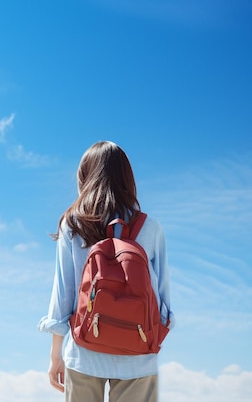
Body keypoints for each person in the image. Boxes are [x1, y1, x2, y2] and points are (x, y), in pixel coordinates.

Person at [37, 141, 174, 402]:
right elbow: (163, 300)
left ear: (84, 176)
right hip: (139, 355)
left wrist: (56, 355)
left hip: (85, 351)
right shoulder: (151, 228)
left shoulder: (73, 224)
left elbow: (63, 294)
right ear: (127, 178)